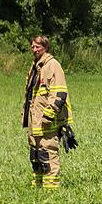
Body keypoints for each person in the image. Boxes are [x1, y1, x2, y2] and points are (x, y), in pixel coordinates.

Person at [22, 35, 73, 189]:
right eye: (32, 46)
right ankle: (37, 186)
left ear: (46, 47)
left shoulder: (53, 65)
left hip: (47, 121)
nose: (34, 49)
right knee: (36, 154)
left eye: (38, 46)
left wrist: (48, 116)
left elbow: (60, 95)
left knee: (48, 152)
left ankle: (51, 190)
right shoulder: (36, 66)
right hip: (35, 120)